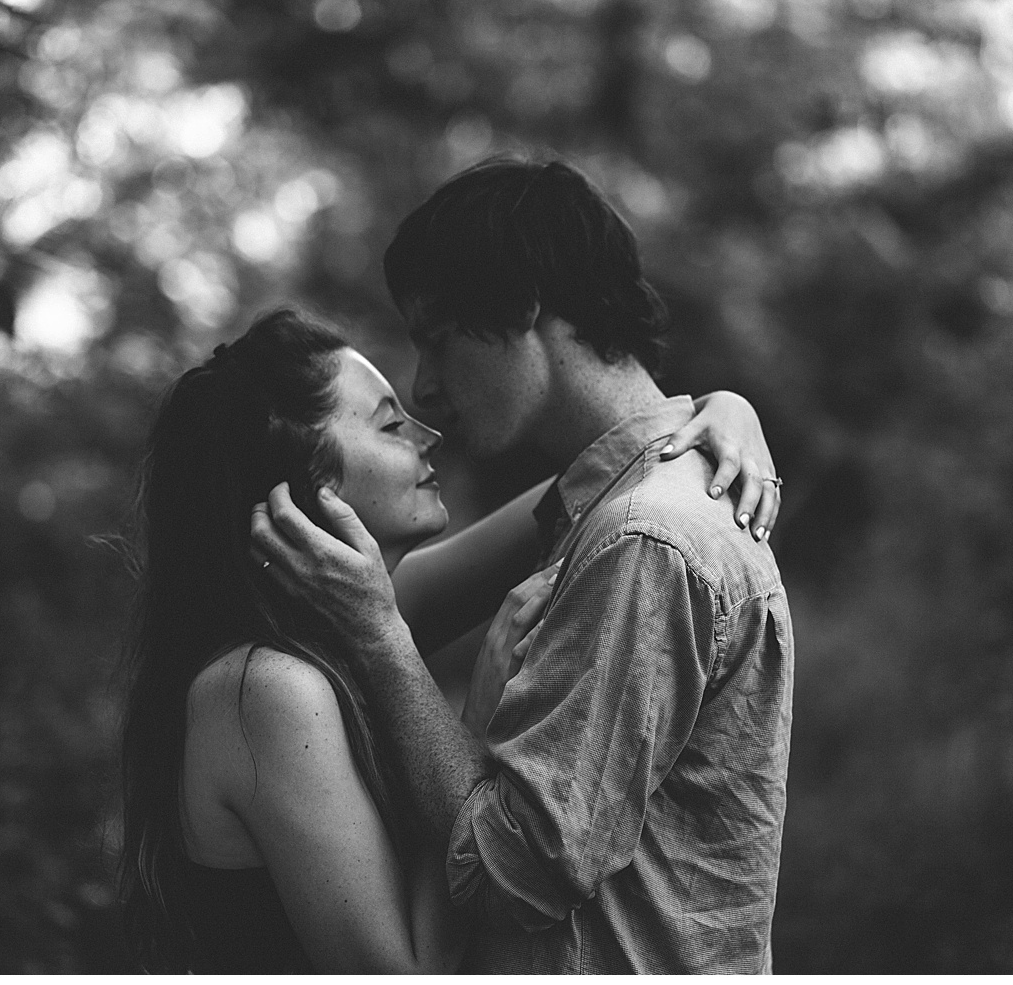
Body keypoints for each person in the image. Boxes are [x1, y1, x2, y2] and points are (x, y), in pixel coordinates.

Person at [251, 157, 796, 973]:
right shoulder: (625, 506)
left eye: (436, 340)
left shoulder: (641, 537)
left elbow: (513, 874)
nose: (426, 391)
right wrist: (723, 403)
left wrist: (380, 640)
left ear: (524, 305)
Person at [118, 306, 781, 972]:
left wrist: (719, 413)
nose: (428, 435)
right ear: (309, 481)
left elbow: (610, 474)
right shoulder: (265, 687)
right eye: (390, 424)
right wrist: (477, 720)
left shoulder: (333, 622)